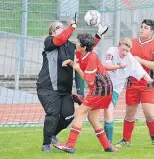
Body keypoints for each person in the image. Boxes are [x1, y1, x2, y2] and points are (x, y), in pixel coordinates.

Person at [36, 19, 109, 152]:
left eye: (63, 27)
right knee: (53, 113)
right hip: (48, 87)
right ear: (52, 32)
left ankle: (53, 134)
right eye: (59, 27)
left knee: (69, 115)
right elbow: (60, 38)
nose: (63, 29)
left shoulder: (69, 45)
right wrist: (71, 27)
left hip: (64, 90)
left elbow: (84, 46)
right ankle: (46, 144)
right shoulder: (49, 42)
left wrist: (98, 35)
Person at [53, 33, 118, 153]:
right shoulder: (81, 52)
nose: (76, 43)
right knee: (92, 117)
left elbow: (90, 81)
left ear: (83, 47)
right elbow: (81, 61)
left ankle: (70, 145)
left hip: (100, 89)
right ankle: (107, 147)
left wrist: (76, 68)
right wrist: (71, 63)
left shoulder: (92, 58)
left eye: (77, 42)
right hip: (105, 88)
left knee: (80, 112)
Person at [116, 19, 154, 149]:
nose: (142, 29)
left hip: (149, 84)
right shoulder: (132, 43)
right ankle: (126, 140)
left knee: (149, 113)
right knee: (129, 114)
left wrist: (140, 61)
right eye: (141, 27)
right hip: (132, 84)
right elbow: (122, 55)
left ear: (151, 32)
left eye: (146, 28)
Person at [103, 38, 153, 144]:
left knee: (108, 110)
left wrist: (149, 79)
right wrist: (119, 66)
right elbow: (106, 66)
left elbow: (141, 71)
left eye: (127, 51)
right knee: (91, 113)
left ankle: (108, 144)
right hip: (103, 85)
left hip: (115, 89)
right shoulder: (112, 51)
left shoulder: (130, 59)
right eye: (123, 50)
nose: (124, 53)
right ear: (118, 47)